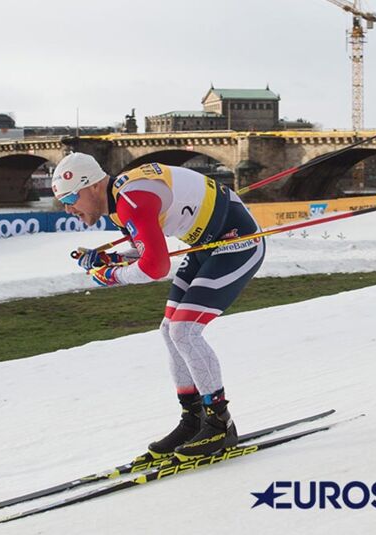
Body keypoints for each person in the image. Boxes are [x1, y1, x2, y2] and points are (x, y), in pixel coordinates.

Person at [52, 152, 265, 461]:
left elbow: (155, 266)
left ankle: (219, 422)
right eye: (63, 202)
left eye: (72, 198)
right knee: (169, 331)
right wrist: (109, 259)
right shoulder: (118, 201)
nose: (69, 208)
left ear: (94, 186)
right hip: (206, 245)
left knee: (184, 330)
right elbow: (145, 250)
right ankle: (193, 420)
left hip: (238, 244)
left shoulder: (130, 200)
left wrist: (111, 276)